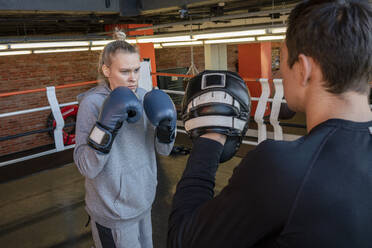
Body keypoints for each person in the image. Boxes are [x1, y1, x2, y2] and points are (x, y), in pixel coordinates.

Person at [168, 0, 372, 247]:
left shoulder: (282, 166)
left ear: (304, 69)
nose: (278, 74)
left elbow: (183, 240)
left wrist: (209, 139)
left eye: (282, 61)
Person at [73, 30, 177, 248]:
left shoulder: (144, 98)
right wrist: (105, 127)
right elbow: (87, 167)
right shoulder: (92, 104)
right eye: (125, 71)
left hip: (144, 202)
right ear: (106, 70)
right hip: (112, 211)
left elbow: (163, 151)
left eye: (137, 70)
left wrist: (167, 129)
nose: (133, 78)